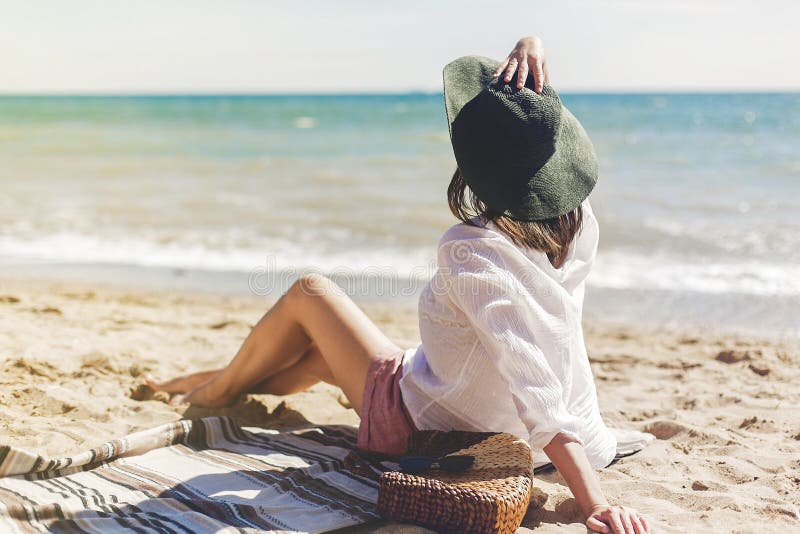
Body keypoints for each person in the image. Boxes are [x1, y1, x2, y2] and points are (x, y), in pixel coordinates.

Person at [147, 36, 651, 534]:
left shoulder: (472, 249)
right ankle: (195, 384)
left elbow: (534, 387)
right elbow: (527, 144)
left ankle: (212, 394)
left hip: (418, 425)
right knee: (314, 361)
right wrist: (532, 44)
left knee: (309, 291)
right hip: (465, 401)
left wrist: (595, 506)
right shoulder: (578, 222)